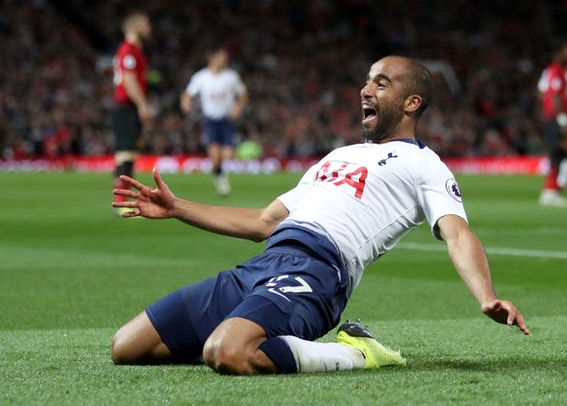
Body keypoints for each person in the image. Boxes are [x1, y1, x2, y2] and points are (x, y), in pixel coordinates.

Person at [112, 56, 529, 375]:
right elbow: (263, 222)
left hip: (318, 274)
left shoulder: (425, 165)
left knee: (227, 351)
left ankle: (356, 352)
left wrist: (485, 295)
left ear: (411, 102)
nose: (366, 90)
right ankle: (251, 332)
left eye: (381, 84)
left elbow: (456, 234)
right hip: (265, 264)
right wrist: (176, 207)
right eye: (366, 80)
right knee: (127, 347)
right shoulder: (339, 156)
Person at [181, 48, 248, 196]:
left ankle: (221, 173)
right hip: (210, 120)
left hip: (227, 120)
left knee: (228, 154)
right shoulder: (201, 77)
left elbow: (243, 94)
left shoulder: (231, 77)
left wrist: (237, 107)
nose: (224, 61)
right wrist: (186, 102)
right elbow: (188, 93)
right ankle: (220, 179)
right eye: (221, 57)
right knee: (215, 157)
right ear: (212, 58)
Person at [112, 12, 153, 214]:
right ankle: (121, 203)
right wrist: (142, 105)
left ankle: (123, 200)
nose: (149, 27)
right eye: (146, 23)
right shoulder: (129, 50)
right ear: (134, 26)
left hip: (126, 106)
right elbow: (129, 80)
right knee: (125, 154)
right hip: (126, 106)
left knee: (128, 153)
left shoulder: (134, 50)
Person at [537, 44, 567, 207]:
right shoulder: (557, 72)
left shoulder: (554, 71)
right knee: (557, 153)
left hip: (554, 118)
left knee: (559, 154)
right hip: (556, 119)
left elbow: (542, 92)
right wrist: (562, 120)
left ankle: (552, 191)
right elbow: (554, 96)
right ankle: (549, 192)